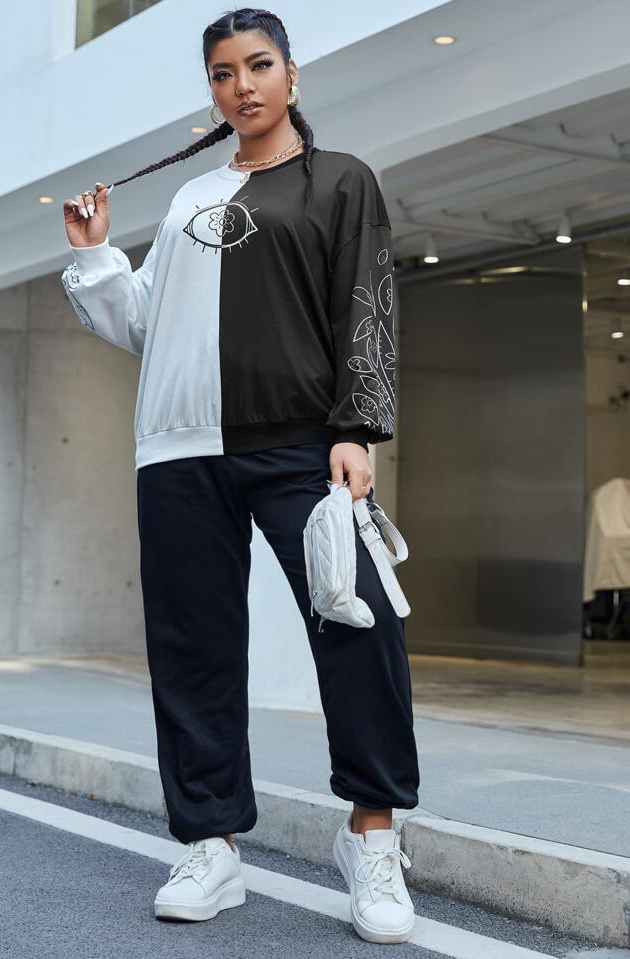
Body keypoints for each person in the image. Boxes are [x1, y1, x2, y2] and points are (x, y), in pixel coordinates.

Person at [60, 6, 420, 946]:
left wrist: (357, 428)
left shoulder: (340, 180)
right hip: (178, 452)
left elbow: (366, 304)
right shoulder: (191, 198)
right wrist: (95, 252)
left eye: (259, 65)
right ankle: (210, 845)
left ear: (293, 75)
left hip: (301, 445)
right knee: (194, 650)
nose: (242, 85)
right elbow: (144, 324)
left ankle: (373, 835)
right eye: (223, 73)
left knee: (361, 623)